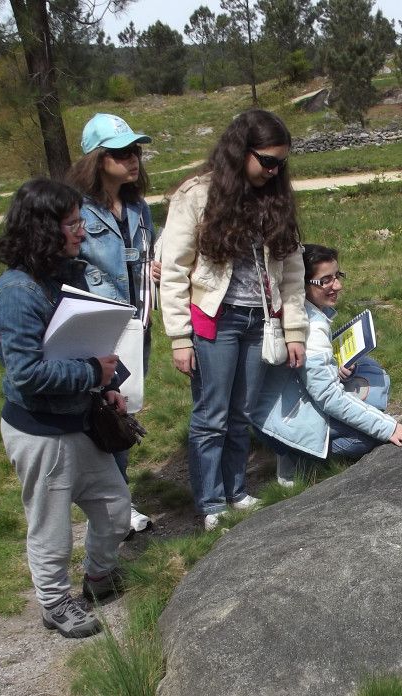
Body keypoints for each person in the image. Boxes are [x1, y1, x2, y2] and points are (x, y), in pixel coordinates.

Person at [0, 178, 131, 639]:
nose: (82, 233)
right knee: (51, 528)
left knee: (114, 507)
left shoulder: (63, 275)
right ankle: (54, 603)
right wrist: (92, 373)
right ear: (42, 230)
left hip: (80, 421)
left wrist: (103, 388)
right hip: (39, 433)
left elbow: (75, 347)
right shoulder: (17, 294)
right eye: (71, 224)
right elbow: (26, 375)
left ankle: (98, 579)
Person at [159, 109, 309, 531]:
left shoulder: (276, 197)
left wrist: (294, 329)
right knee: (212, 414)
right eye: (267, 161)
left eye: (281, 162)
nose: (275, 170)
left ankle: (236, 491)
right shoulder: (196, 195)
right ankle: (210, 503)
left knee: (242, 412)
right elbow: (173, 270)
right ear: (241, 151)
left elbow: (292, 271)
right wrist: (179, 338)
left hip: (261, 321)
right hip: (215, 320)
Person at [253, 244, 402, 486]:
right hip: (282, 422)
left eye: (337, 276)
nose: (338, 286)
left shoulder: (297, 314)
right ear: (302, 284)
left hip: (275, 412)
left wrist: (333, 368)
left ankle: (293, 452)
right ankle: (300, 458)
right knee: (369, 438)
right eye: (326, 281)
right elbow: (330, 398)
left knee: (368, 376)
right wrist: (388, 428)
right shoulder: (311, 331)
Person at [66, 112, 159, 536]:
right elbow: (72, 265)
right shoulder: (78, 212)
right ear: (97, 158)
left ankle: (116, 499)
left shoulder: (139, 207)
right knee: (107, 411)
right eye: (120, 152)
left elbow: (144, 252)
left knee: (126, 407)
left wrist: (151, 267)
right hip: (101, 324)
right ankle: (114, 505)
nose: (132, 159)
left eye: (135, 150)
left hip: (138, 322)